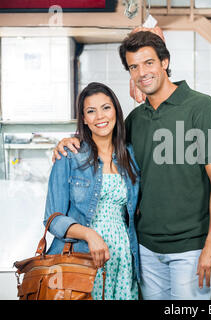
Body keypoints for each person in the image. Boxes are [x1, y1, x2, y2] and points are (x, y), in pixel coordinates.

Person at [53, 30, 211, 300]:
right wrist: (69, 141)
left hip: (190, 248)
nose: (142, 72)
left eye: (148, 63)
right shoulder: (135, 120)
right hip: (144, 250)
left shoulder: (204, 109)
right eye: (134, 67)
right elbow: (101, 139)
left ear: (165, 62)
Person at [44, 82, 140, 300]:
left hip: (122, 258)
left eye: (106, 107)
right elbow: (52, 218)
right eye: (91, 111)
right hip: (82, 257)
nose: (100, 116)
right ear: (84, 119)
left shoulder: (130, 156)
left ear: (116, 110)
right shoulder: (69, 155)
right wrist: (90, 235)